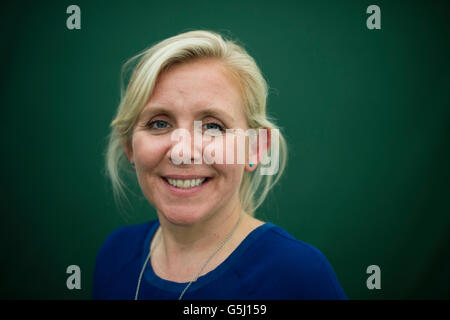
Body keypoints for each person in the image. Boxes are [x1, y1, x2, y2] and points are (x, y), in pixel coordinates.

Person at [93, 30, 347, 300]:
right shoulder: (115, 254)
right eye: (159, 123)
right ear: (130, 146)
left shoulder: (298, 275)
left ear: (255, 147)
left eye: (213, 126)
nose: (183, 151)